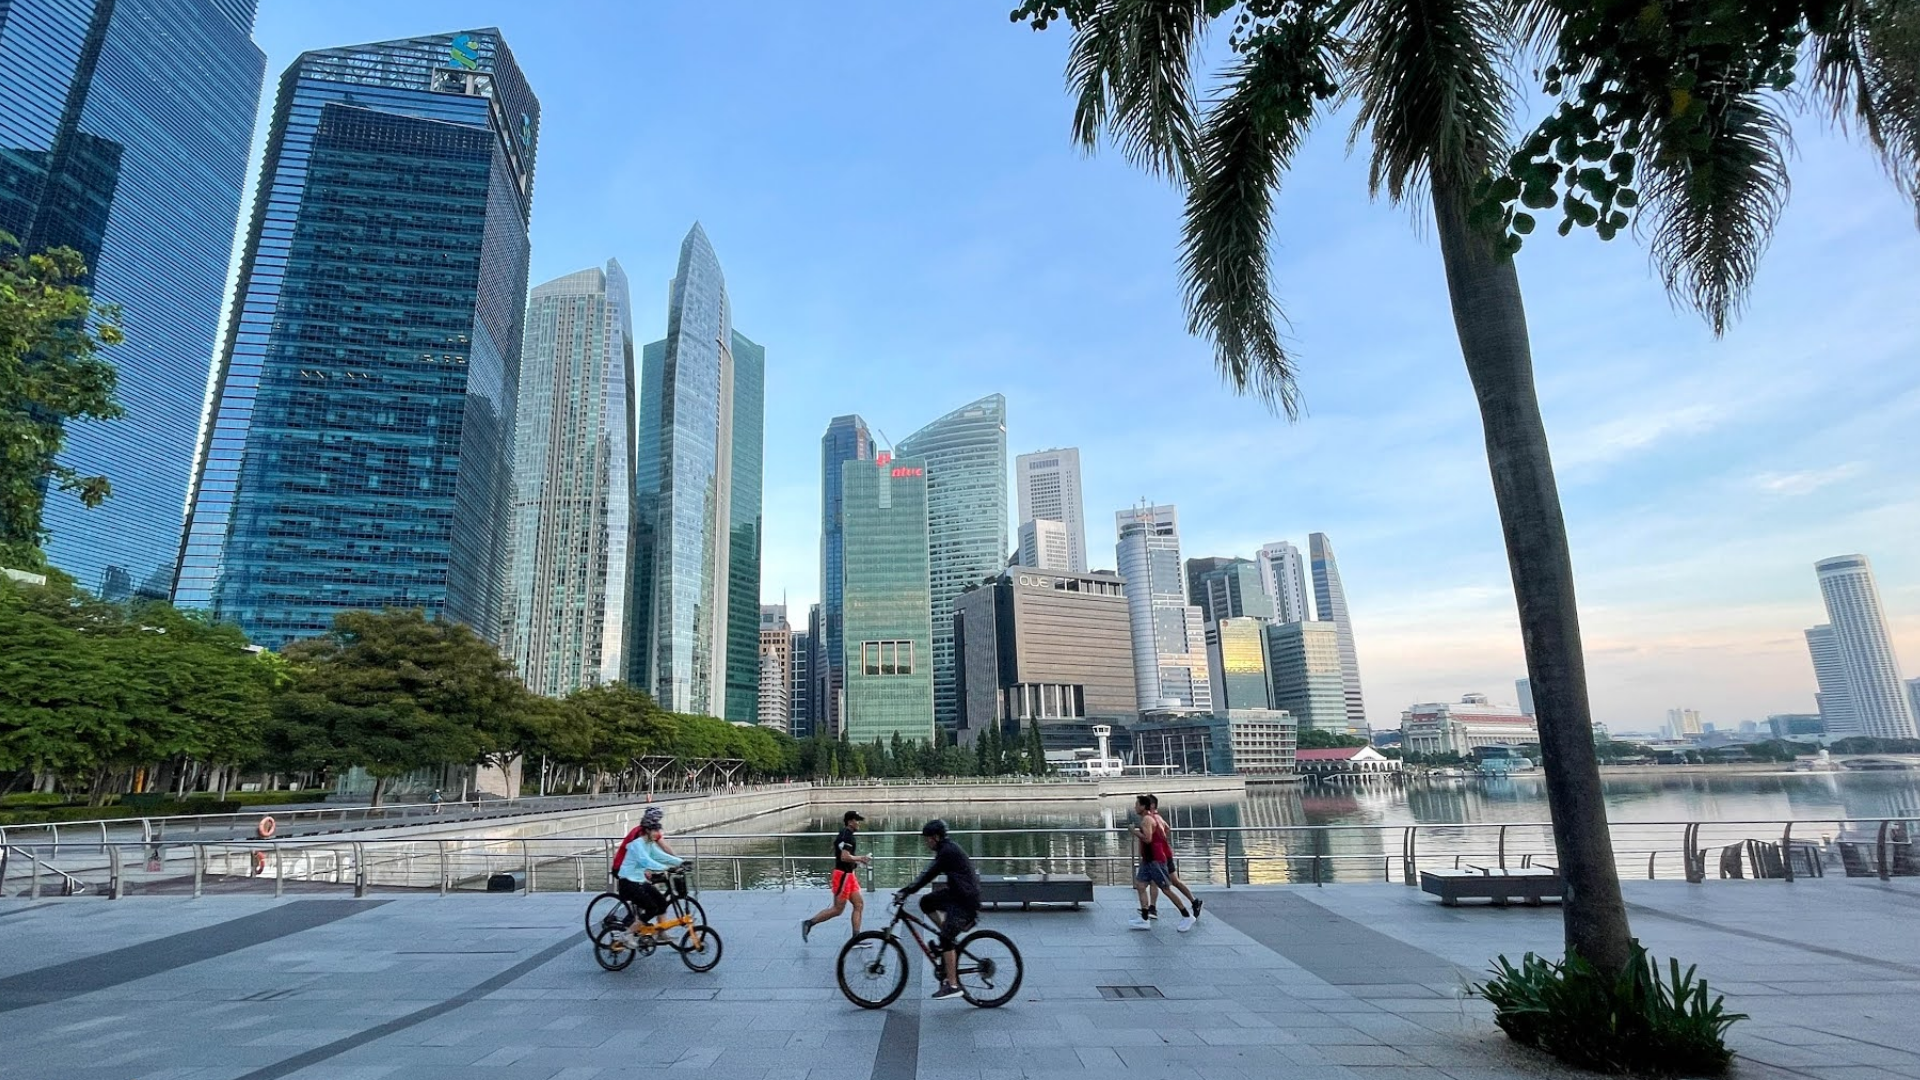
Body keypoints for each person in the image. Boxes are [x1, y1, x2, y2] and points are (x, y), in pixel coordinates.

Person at [897, 819, 980, 1000]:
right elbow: (929, 874)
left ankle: (952, 985)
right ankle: (946, 934)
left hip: (965, 901)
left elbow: (929, 874)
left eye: (928, 840)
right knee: (926, 902)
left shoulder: (947, 852)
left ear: (936, 837)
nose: (927, 844)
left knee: (946, 938)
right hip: (957, 894)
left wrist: (907, 891)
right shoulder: (946, 849)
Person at [801, 810, 872, 944]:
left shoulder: (844, 833)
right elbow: (844, 857)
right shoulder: (848, 837)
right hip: (843, 876)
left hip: (847, 875)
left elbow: (842, 855)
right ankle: (809, 923)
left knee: (859, 904)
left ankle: (856, 939)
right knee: (837, 909)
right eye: (857, 820)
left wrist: (854, 867)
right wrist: (861, 859)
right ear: (850, 821)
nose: (859, 823)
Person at [613, 807, 681, 938]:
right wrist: (655, 869)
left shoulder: (649, 835)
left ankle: (659, 930)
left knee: (657, 899)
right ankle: (632, 926)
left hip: (636, 870)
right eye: (656, 821)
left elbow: (662, 849)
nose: (658, 830)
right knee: (649, 900)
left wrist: (678, 862)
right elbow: (641, 858)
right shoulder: (638, 835)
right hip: (622, 868)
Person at [1129, 794, 1193, 932]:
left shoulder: (1147, 819)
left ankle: (1187, 916)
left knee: (1166, 889)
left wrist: (1134, 832)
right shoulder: (1152, 818)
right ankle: (1144, 919)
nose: (1135, 807)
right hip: (1147, 860)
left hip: (1156, 860)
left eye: (1137, 805)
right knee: (1140, 885)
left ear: (1143, 806)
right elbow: (1164, 831)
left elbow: (1147, 839)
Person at [1147, 795, 1201, 923]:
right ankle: (1194, 901)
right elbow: (1168, 828)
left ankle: (1154, 908)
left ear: (1152, 805)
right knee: (1173, 881)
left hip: (1160, 855)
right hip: (1166, 854)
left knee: (1160, 883)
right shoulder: (1158, 817)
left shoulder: (1152, 819)